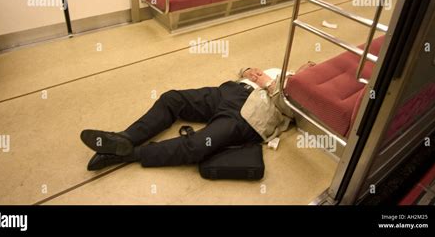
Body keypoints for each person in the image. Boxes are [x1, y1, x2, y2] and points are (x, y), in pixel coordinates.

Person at [80, 66, 309, 171]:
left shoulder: (306, 91)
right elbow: (245, 72)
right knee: (172, 99)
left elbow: (292, 111)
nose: (309, 66)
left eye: (314, 69)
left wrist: (269, 84)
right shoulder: (284, 67)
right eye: (308, 64)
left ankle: (126, 154)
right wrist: (247, 71)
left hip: (250, 115)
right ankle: (125, 137)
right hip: (229, 93)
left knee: (199, 145)